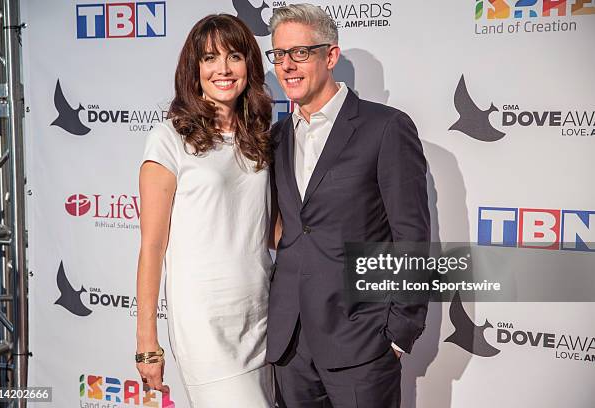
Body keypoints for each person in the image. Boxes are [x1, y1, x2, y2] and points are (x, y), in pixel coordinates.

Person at [265, 4, 431, 408]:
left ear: (331, 56)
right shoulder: (276, 136)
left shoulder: (386, 128)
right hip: (290, 348)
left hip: (362, 344)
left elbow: (411, 237)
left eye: (301, 52)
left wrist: (398, 334)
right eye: (280, 54)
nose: (288, 65)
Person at [135, 14, 274, 407]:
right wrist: (147, 342)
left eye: (234, 56)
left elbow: (268, 226)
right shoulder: (168, 140)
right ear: (193, 70)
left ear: (250, 65)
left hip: (261, 315)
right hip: (205, 323)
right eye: (210, 58)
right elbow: (152, 248)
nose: (223, 69)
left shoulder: (259, 137)